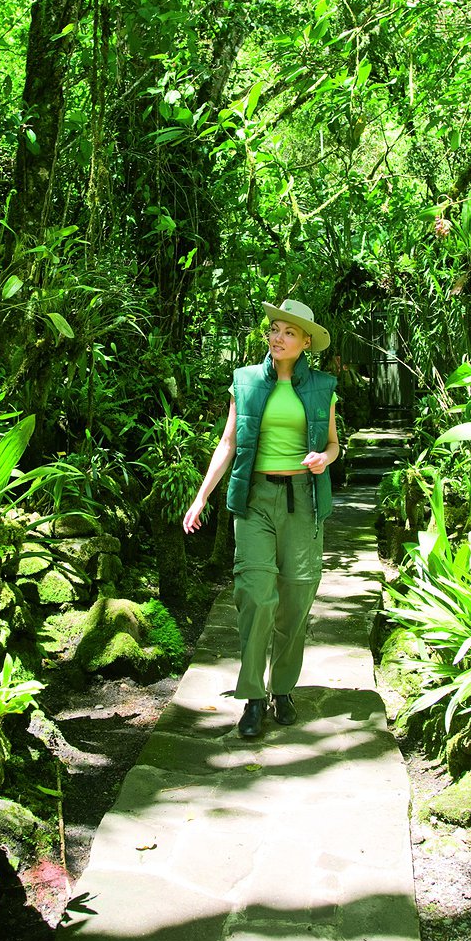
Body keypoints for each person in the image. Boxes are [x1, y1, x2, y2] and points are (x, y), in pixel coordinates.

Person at [183, 299, 339, 738]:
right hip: (254, 502)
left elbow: (333, 444)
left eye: (289, 332)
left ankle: (282, 689)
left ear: (306, 342)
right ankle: (252, 696)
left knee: (296, 597)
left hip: (303, 502)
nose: (278, 337)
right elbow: (228, 443)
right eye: (274, 329)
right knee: (255, 594)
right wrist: (200, 499)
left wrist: (323, 459)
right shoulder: (246, 381)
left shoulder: (322, 385)